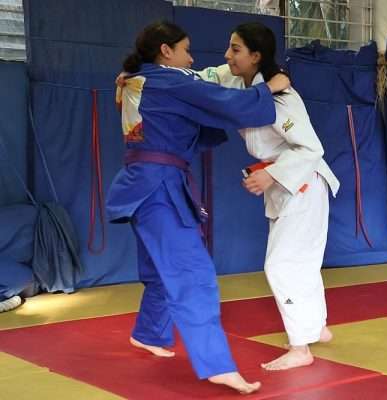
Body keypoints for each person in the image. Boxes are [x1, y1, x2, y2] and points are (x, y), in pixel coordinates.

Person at [106, 20, 290, 394]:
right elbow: (224, 103)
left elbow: (186, 114)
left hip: (140, 183)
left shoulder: (133, 79)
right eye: (186, 50)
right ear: (165, 51)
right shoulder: (168, 81)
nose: (191, 58)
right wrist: (270, 88)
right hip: (158, 187)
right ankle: (218, 365)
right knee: (194, 274)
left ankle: (148, 332)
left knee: (160, 270)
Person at [198, 22, 340, 370]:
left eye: (235, 49)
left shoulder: (282, 100)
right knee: (301, 262)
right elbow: (199, 79)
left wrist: (270, 174)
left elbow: (311, 148)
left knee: (281, 265)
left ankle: (300, 348)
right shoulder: (236, 80)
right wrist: (142, 75)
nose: (227, 56)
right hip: (286, 186)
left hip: (304, 183)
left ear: (256, 56)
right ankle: (315, 327)